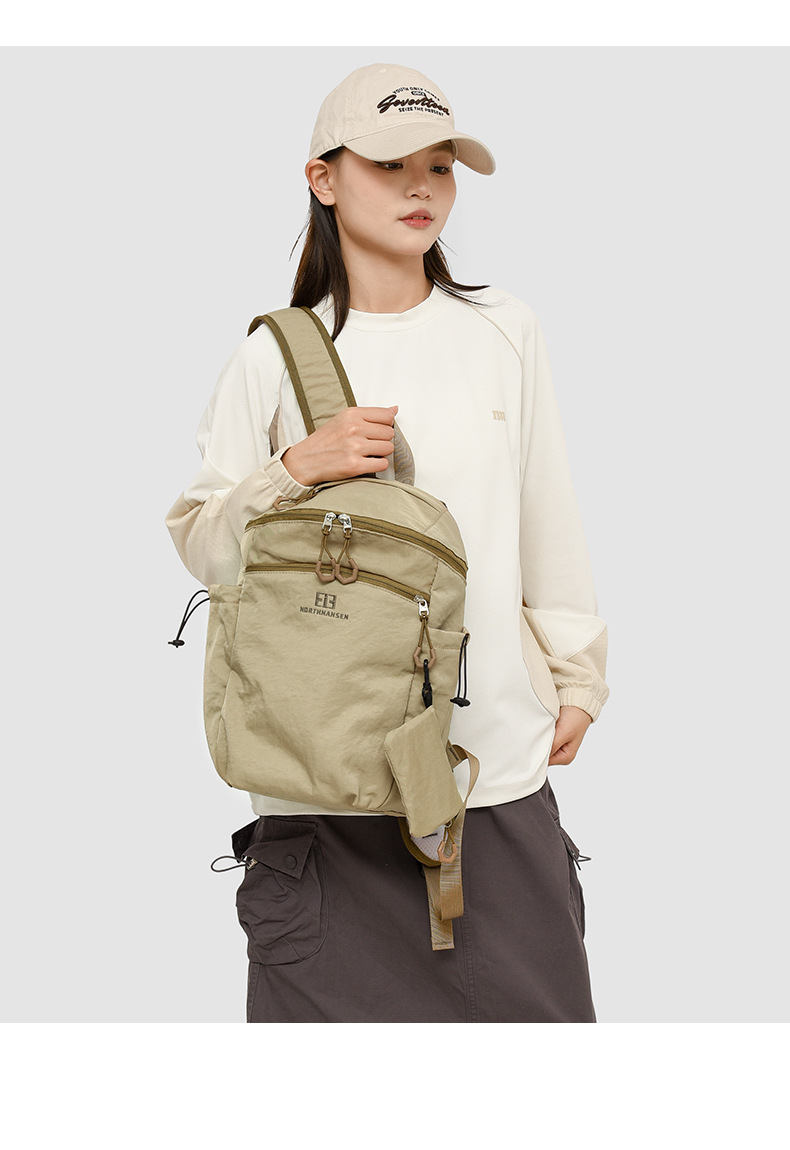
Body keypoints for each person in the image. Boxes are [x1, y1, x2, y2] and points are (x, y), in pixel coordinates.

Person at [166, 62, 609, 1023]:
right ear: (322, 179)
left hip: (486, 773)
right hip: (320, 782)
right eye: (390, 165)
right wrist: (295, 469)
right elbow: (206, 548)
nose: (423, 188)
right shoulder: (274, 355)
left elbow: (546, 510)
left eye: (440, 166)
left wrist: (577, 673)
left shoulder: (503, 330)